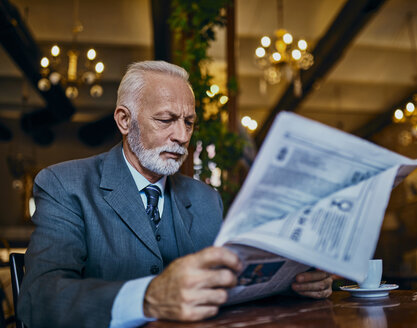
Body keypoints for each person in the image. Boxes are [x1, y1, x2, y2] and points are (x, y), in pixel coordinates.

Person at [17, 60, 333, 328]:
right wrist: (148, 298)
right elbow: (38, 302)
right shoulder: (64, 184)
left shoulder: (207, 199)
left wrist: (294, 285)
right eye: (166, 120)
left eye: (189, 122)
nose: (182, 136)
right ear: (124, 120)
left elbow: (229, 287)